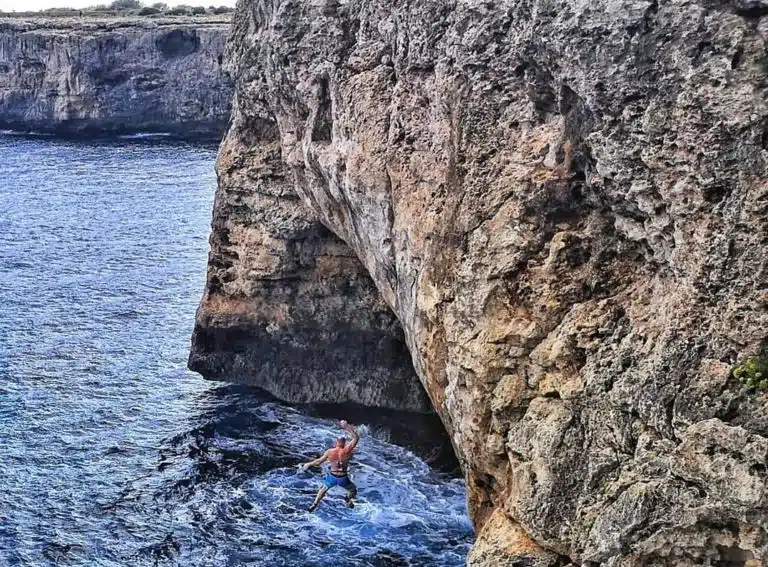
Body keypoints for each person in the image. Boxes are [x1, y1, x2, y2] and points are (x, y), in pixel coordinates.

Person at [299, 420, 360, 512]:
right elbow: (356, 437)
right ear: (344, 443)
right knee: (353, 490)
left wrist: (308, 464)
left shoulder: (329, 452)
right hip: (343, 478)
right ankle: (348, 499)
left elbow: (318, 462)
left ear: (336, 443)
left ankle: (314, 504)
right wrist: (346, 426)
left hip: (332, 477)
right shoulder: (347, 450)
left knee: (323, 490)